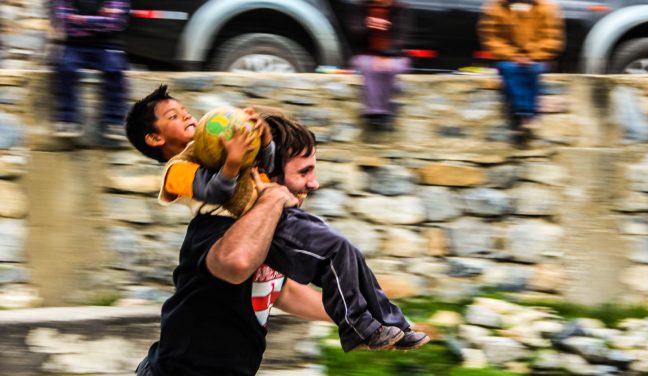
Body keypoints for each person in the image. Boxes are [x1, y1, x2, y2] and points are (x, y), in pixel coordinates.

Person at [126, 86, 428, 376]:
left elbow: (282, 290)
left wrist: (364, 324)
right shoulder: (215, 226)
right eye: (304, 171)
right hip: (176, 372)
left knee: (341, 250)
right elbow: (236, 264)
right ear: (268, 174)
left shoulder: (268, 232)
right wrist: (270, 195)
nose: (314, 183)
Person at [477, 0, 564, 145]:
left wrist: (529, 55)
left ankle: (520, 116)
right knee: (509, 69)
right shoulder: (495, 8)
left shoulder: (547, 8)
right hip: (508, 58)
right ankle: (526, 115)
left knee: (532, 70)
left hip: (537, 58)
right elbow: (491, 38)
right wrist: (513, 55)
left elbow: (552, 39)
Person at [50, 0, 130, 141]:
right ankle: (67, 119)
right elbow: (66, 24)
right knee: (65, 68)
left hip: (107, 45)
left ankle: (114, 122)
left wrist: (80, 19)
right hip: (73, 45)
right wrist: (101, 19)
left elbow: (115, 23)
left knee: (115, 69)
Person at [348, 0, 411, 131]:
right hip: (367, 54)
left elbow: (402, 38)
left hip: (394, 55)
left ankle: (384, 112)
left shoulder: (401, 9)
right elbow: (354, 32)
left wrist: (386, 54)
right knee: (367, 66)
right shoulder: (361, 7)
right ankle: (373, 112)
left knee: (391, 68)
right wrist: (368, 24)